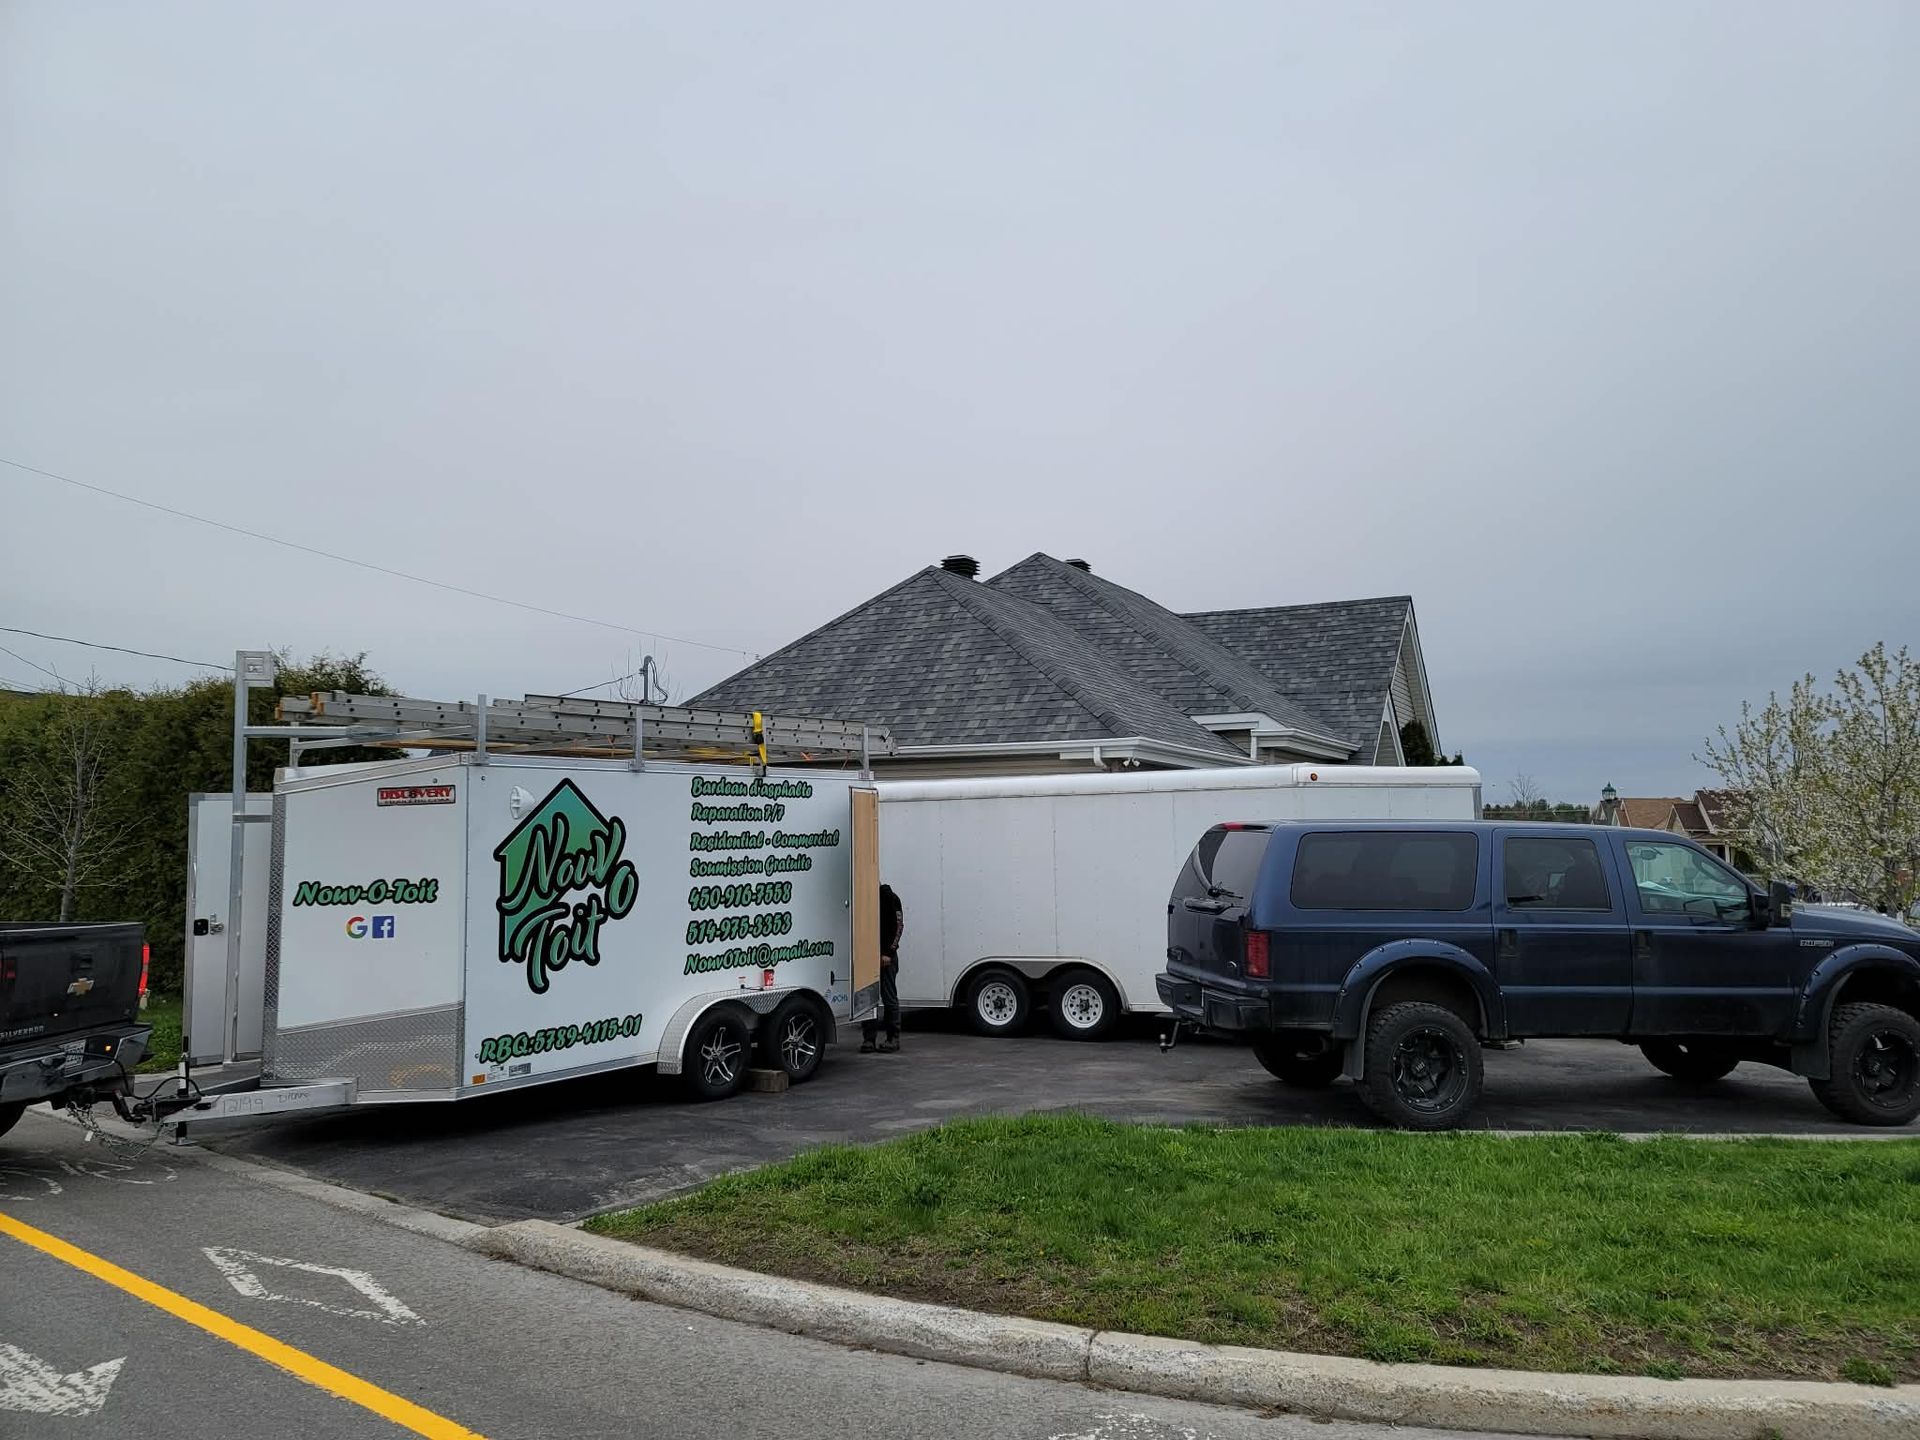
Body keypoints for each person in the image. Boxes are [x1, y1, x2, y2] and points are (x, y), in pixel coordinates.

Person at [862, 883, 903, 1054]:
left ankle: (893, 1038)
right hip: (867, 957)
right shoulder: (863, 899)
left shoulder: (889, 897)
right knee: (867, 999)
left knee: (889, 997)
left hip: (885, 958)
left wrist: (888, 952)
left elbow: (898, 926)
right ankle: (869, 1039)